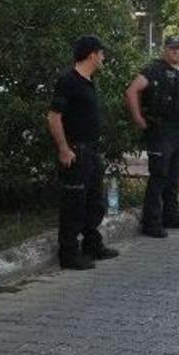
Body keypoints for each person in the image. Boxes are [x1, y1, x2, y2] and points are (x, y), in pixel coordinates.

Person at [47, 35, 118, 269]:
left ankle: (92, 244)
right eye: (102, 53)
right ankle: (68, 254)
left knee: (94, 202)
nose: (103, 57)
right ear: (92, 55)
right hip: (75, 151)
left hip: (91, 151)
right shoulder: (68, 80)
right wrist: (64, 149)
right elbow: (54, 116)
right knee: (73, 205)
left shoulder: (88, 81)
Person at [125, 36, 179, 238]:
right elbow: (131, 91)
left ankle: (171, 216)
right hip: (161, 131)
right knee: (159, 177)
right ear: (165, 50)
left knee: (174, 177)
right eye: (172, 48)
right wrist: (138, 118)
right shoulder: (154, 69)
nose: (176, 52)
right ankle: (151, 222)